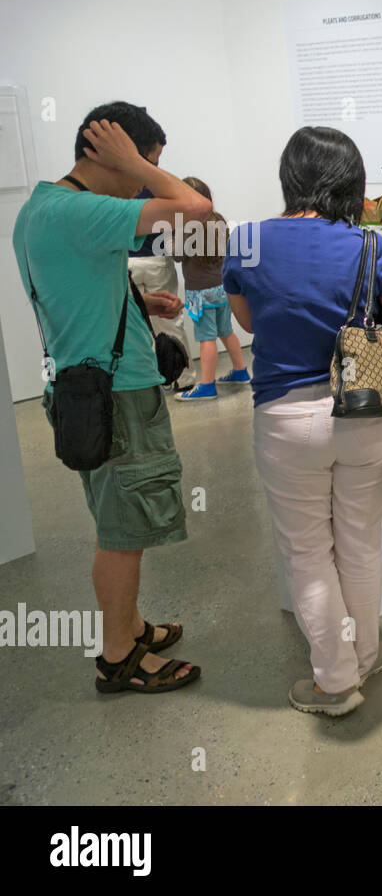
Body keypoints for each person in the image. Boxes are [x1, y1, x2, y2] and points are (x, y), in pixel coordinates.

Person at [224, 126, 382, 717]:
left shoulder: (246, 242)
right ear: (352, 179)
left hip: (286, 417)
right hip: (364, 414)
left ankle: (337, 682)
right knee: (362, 543)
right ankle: (365, 655)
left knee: (308, 552)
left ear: (290, 176)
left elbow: (247, 324)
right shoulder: (372, 247)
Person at [12, 101, 209, 694]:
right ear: (114, 153)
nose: (150, 172)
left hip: (81, 387)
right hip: (118, 395)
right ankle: (119, 656)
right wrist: (135, 163)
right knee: (123, 532)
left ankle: (131, 627)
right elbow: (197, 213)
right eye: (150, 161)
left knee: (115, 517)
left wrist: (141, 305)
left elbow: (74, 288)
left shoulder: (41, 208)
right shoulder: (85, 210)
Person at [173, 176, 250, 400]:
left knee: (206, 337)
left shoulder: (186, 227)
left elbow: (177, 255)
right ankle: (240, 370)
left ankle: (207, 385)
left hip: (199, 294)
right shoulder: (218, 220)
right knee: (226, 331)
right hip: (223, 289)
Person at [128, 188, 198, 393]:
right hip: (156, 259)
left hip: (127, 261)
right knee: (169, 318)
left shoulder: (118, 189)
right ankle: (183, 378)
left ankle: (152, 378)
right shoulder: (155, 187)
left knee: (135, 323)